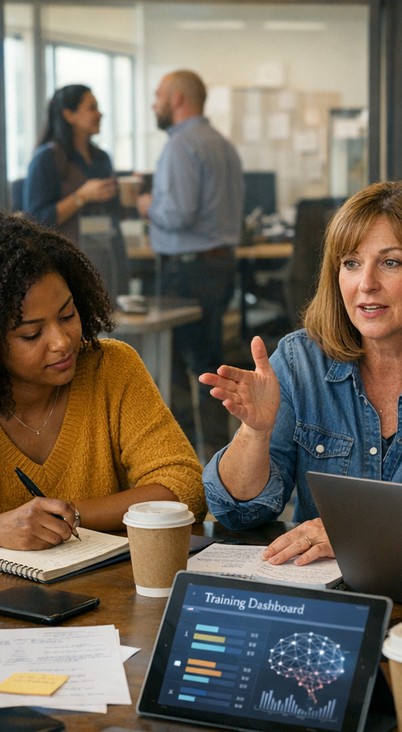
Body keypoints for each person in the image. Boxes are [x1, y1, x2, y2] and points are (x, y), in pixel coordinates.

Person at [201, 180, 402, 565]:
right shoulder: (298, 360)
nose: (366, 284)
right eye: (351, 263)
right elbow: (239, 514)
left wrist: (357, 534)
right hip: (321, 591)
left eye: (390, 262)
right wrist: (255, 434)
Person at [0, 213, 206, 551]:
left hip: (109, 593)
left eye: (68, 316)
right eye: (32, 333)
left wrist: (68, 516)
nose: (62, 341)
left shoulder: (111, 368)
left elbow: (185, 487)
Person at [136, 70, 244, 457]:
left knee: (178, 369)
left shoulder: (182, 145)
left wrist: (146, 204)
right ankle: (218, 453)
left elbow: (177, 214)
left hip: (187, 270)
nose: (154, 103)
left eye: (158, 95)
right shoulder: (223, 145)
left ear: (178, 98)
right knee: (211, 366)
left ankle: (178, 458)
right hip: (219, 267)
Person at [22, 85, 127, 295]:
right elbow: (35, 221)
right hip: (67, 266)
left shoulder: (101, 158)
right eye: (92, 108)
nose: (100, 114)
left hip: (109, 258)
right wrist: (82, 196)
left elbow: (114, 212)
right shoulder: (47, 158)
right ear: (69, 114)